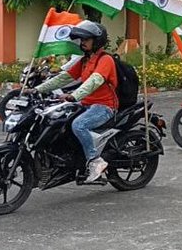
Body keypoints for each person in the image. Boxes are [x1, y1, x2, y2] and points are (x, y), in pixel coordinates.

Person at [29, 21, 118, 183]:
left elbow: (95, 81)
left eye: (86, 39)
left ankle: (95, 161)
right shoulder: (84, 60)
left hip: (104, 106)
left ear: (96, 41)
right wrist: (38, 89)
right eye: (81, 39)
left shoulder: (106, 60)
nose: (82, 42)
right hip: (86, 104)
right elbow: (63, 78)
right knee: (57, 119)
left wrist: (74, 95)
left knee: (79, 125)